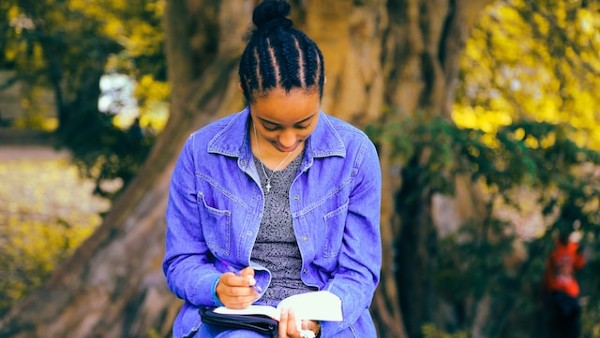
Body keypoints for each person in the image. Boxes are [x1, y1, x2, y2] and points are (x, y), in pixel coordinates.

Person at [162, 1, 382, 337]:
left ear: (321, 91)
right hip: (234, 322)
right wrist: (216, 286)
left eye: (303, 124)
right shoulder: (201, 153)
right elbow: (181, 261)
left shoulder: (354, 154)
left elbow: (360, 271)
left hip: (325, 323)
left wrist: (316, 323)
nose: (288, 140)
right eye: (271, 126)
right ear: (245, 93)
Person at [541, 225, 586, 338]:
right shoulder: (554, 247)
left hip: (570, 292)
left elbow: (579, 264)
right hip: (556, 291)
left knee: (573, 317)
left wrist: (581, 251)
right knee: (560, 317)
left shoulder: (574, 247)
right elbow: (546, 270)